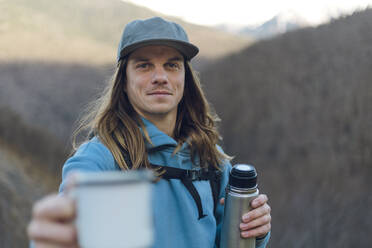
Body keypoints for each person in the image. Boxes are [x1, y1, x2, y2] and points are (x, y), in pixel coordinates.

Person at [27, 17, 271, 248]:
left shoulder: (213, 162)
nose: (160, 77)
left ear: (185, 78)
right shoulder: (101, 160)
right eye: (144, 65)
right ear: (123, 80)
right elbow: (69, 223)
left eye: (172, 65)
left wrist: (256, 232)